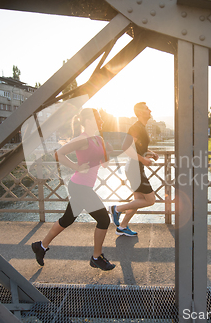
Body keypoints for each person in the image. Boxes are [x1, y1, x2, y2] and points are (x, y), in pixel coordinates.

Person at [31, 108, 115, 271]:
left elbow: (104, 162)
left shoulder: (98, 138)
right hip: (79, 187)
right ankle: (96, 258)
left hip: (84, 186)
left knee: (67, 220)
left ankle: (41, 246)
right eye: (98, 118)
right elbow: (59, 154)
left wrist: (108, 152)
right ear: (89, 121)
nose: (102, 121)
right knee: (104, 220)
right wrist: (76, 166)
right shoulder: (82, 139)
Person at [109, 102, 158, 236]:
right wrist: (143, 159)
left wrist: (151, 153)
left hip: (136, 167)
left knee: (138, 201)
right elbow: (126, 147)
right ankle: (116, 208)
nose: (150, 110)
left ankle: (122, 227)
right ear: (141, 112)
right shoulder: (136, 127)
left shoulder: (141, 127)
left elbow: (138, 146)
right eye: (147, 109)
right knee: (150, 200)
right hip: (135, 168)